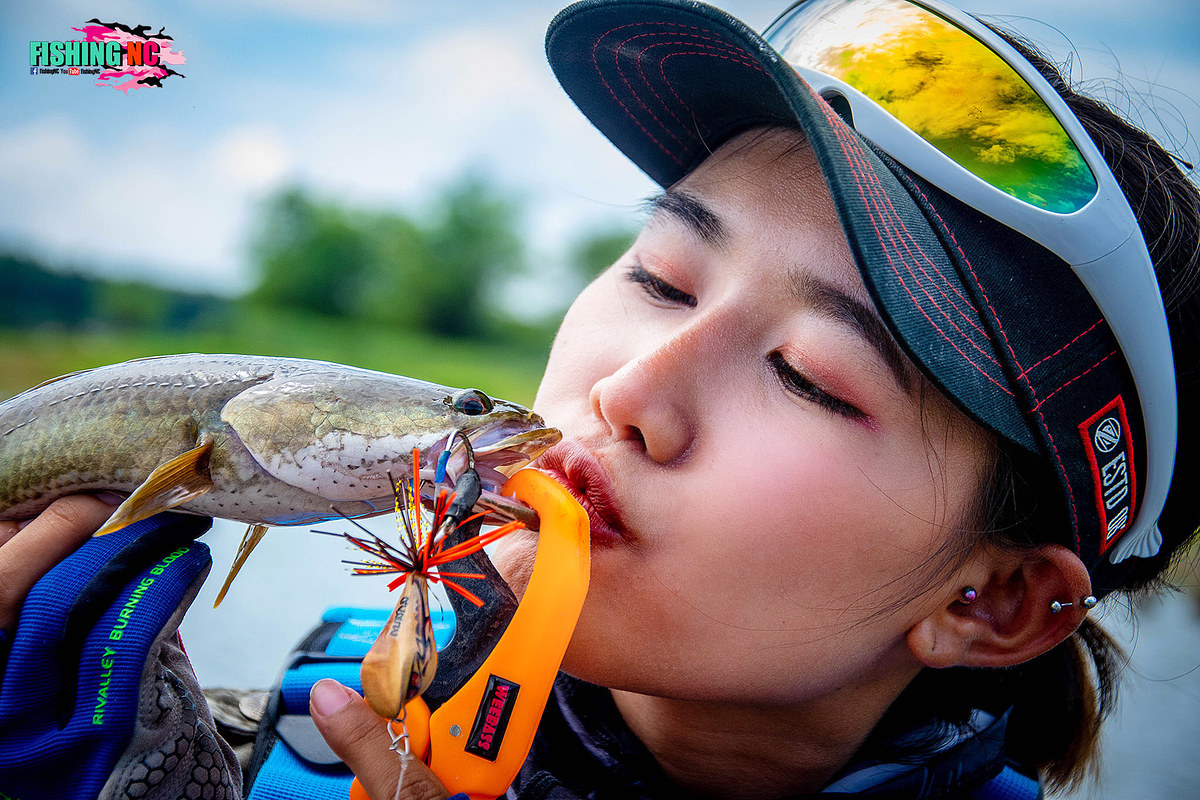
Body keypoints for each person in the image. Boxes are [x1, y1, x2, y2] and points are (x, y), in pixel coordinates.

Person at [1, 0, 1197, 798]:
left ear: (991, 600)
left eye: (808, 378)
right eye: (661, 278)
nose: (628, 390)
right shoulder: (302, 722)